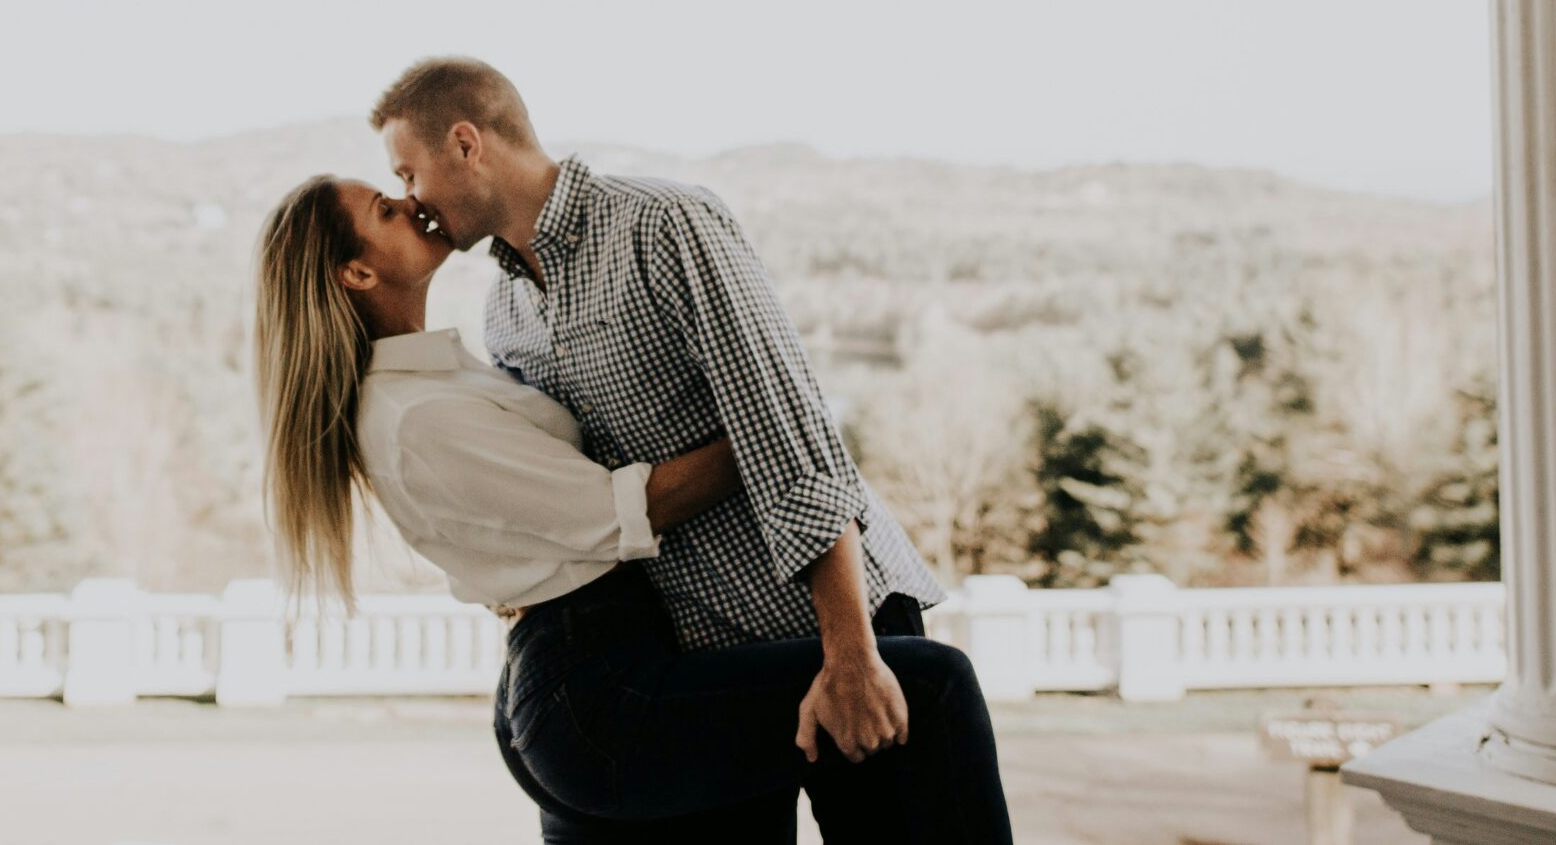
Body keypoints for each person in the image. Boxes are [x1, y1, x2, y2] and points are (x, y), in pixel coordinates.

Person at [255, 170, 1010, 841]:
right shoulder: (412, 412)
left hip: (611, 665)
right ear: (356, 270)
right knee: (932, 689)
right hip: (601, 690)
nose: (412, 203)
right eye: (388, 205)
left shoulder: (442, 371)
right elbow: (625, 509)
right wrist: (774, 417)